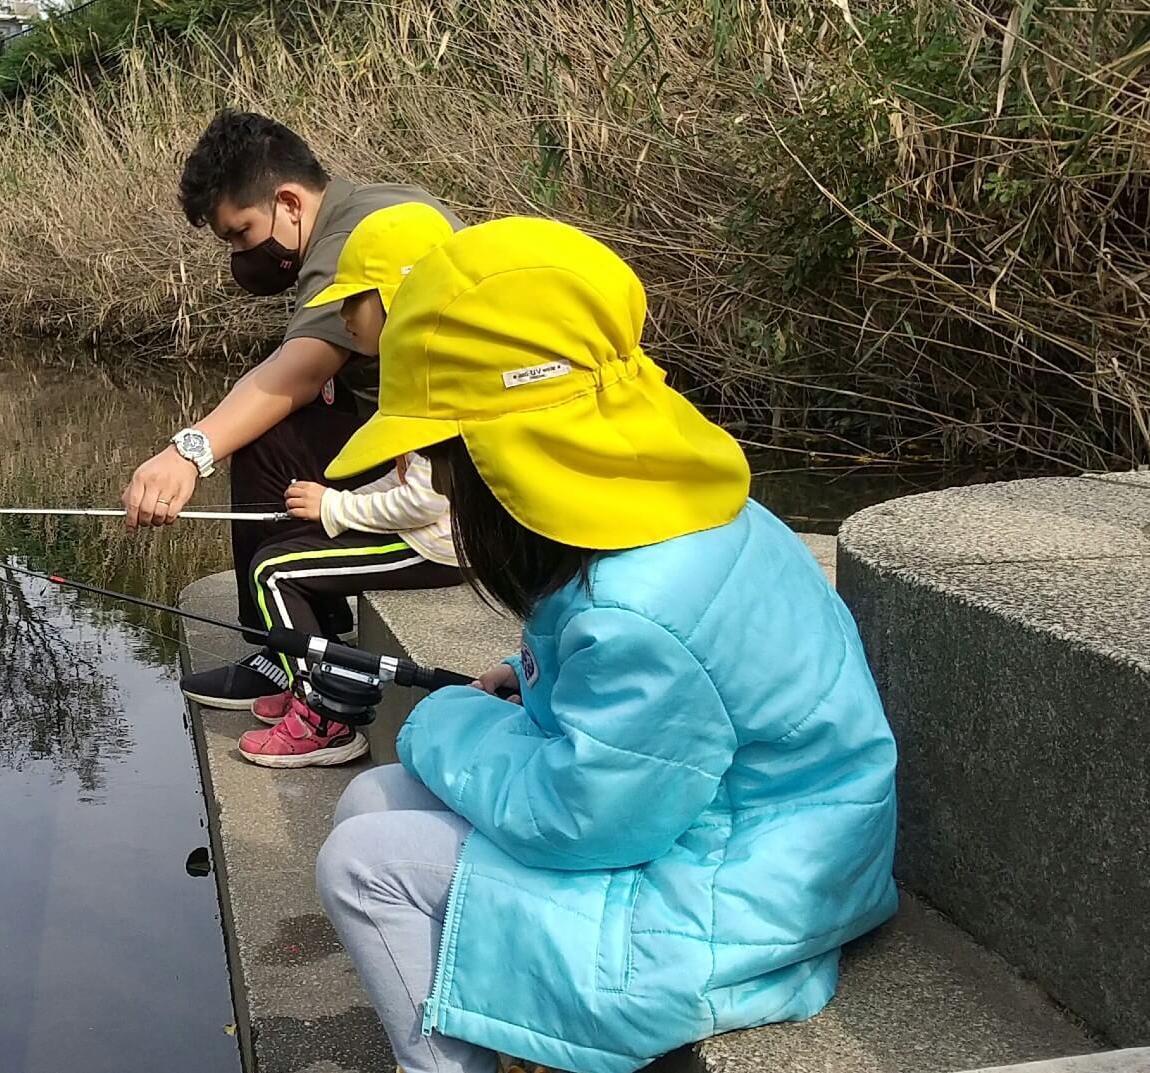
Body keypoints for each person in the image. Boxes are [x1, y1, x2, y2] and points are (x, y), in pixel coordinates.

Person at [311, 217, 900, 1073]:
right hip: (759, 826)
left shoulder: (639, 611)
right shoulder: (673, 505)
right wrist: (525, 676)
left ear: (510, 458)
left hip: (756, 888)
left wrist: (441, 719)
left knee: (366, 865)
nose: (439, 483)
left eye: (445, 457)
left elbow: (580, 819)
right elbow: (677, 697)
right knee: (374, 802)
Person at [121, 110, 461, 711]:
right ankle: (312, 619)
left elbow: (299, 372)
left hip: (440, 466)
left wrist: (189, 453)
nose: (240, 254)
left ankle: (283, 653)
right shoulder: (382, 203)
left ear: (288, 202)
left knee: (263, 440)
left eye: (241, 233)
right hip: (427, 441)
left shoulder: (351, 241)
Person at [220, 203, 465, 769]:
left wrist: (336, 507)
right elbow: (406, 476)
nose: (345, 319)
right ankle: (315, 682)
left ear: (398, 297)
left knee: (274, 572)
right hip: (432, 532)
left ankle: (325, 716)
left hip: (443, 545)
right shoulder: (421, 366)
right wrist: (338, 504)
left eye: (354, 301)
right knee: (288, 556)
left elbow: (428, 499)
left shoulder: (433, 385)